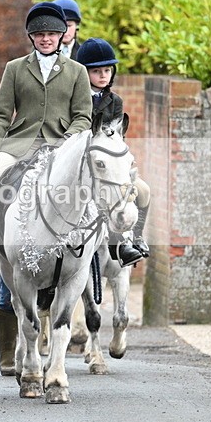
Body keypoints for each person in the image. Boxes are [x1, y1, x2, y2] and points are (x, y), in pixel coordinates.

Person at [0, 1, 92, 277]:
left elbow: (83, 117)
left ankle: (94, 248)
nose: (46, 39)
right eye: (40, 35)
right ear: (32, 37)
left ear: (62, 35)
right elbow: (1, 115)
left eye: (51, 34)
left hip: (61, 146)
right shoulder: (14, 68)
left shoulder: (77, 71)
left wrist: (66, 143)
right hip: (19, 144)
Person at [77, 37, 150, 263]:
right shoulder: (75, 98)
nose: (103, 76)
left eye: (107, 70)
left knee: (143, 190)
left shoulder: (115, 101)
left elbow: (117, 137)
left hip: (106, 163)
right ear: (84, 73)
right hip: (81, 162)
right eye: (96, 71)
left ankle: (131, 239)